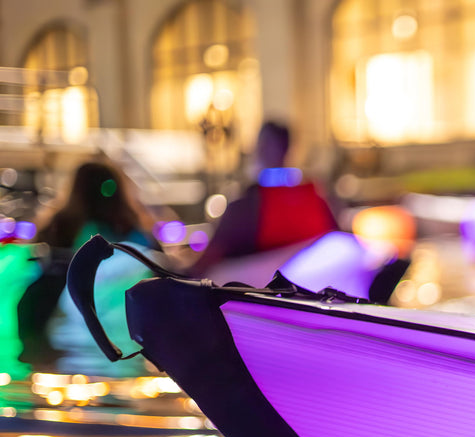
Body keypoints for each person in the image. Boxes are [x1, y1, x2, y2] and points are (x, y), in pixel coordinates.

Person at [17, 160, 160, 373]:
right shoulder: (136, 230)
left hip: (63, 347)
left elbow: (32, 292)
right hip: (131, 340)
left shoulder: (58, 228)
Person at [190, 120, 338, 274]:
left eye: (264, 146)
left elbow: (209, 258)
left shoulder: (247, 205)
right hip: (312, 286)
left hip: (256, 289)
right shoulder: (314, 196)